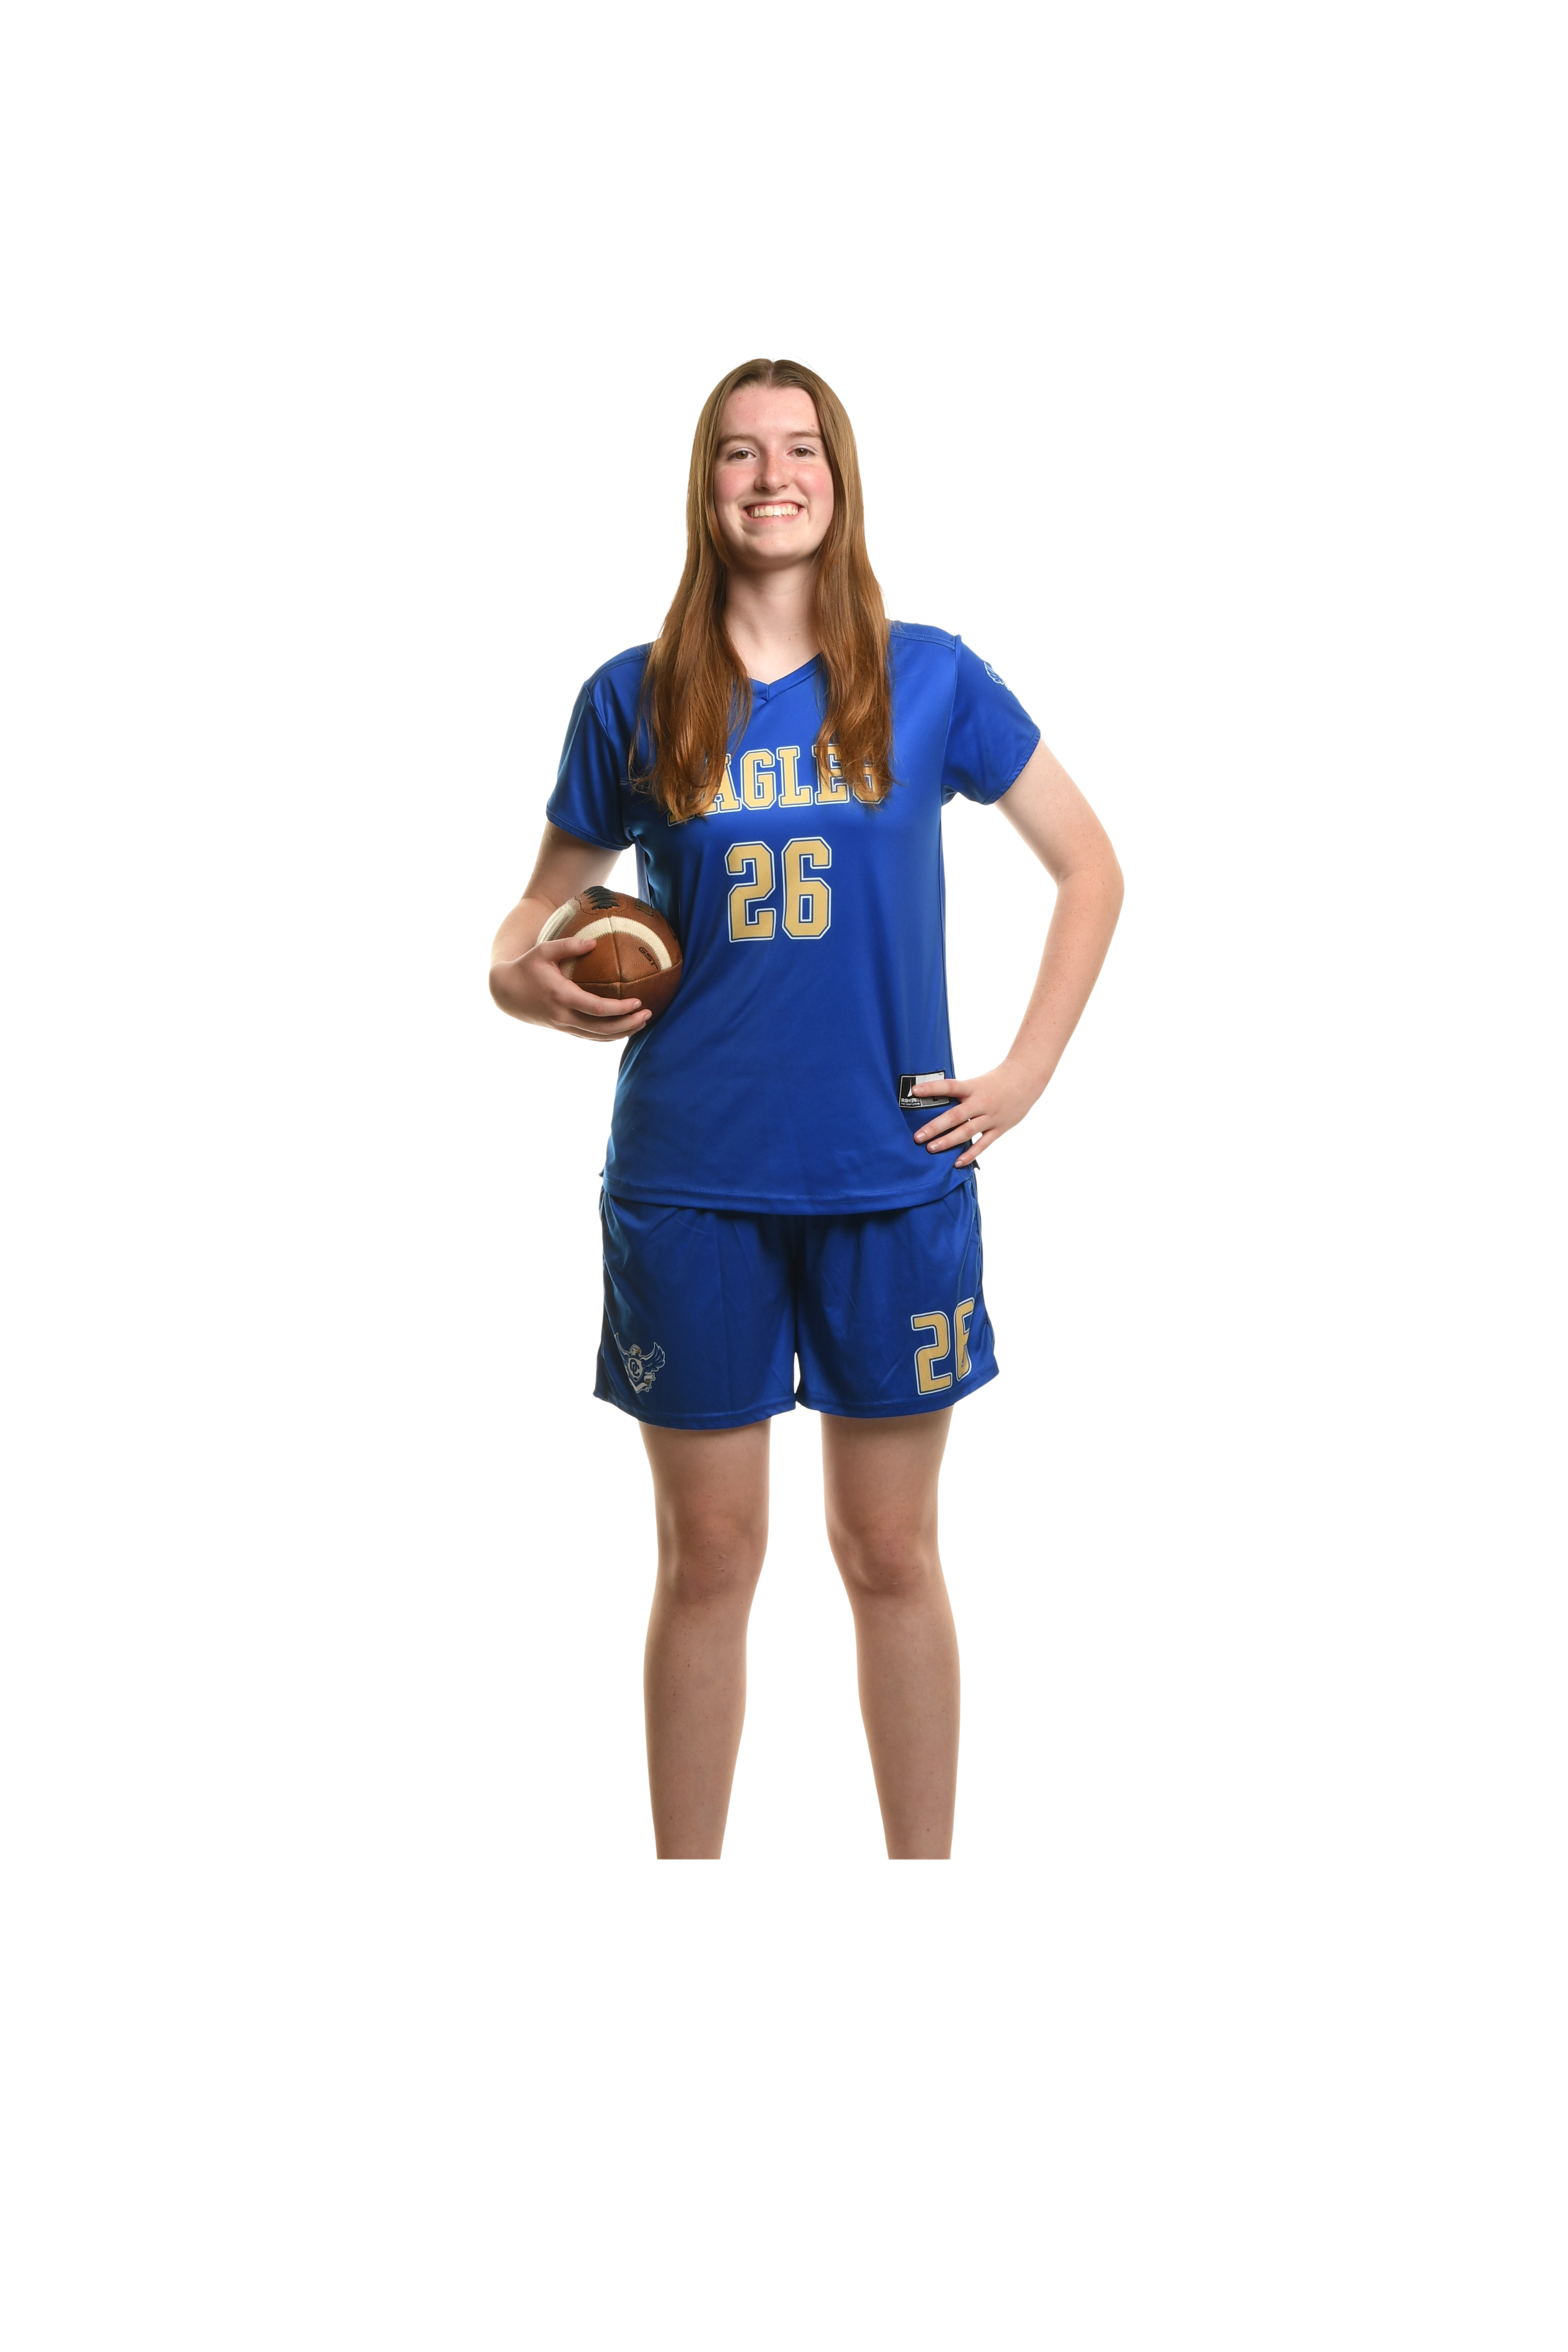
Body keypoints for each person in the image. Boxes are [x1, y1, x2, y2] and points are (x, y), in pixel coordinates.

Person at [488, 355, 1124, 1861]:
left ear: (844, 475)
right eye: (738, 452)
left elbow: (1092, 867)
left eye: (801, 449)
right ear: (701, 479)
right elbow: (528, 918)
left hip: (888, 1173)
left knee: (890, 1553)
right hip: (691, 1178)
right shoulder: (632, 696)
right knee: (708, 1564)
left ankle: (923, 1900)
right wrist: (529, 982)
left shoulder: (933, 676)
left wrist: (1025, 1073)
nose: (771, 477)